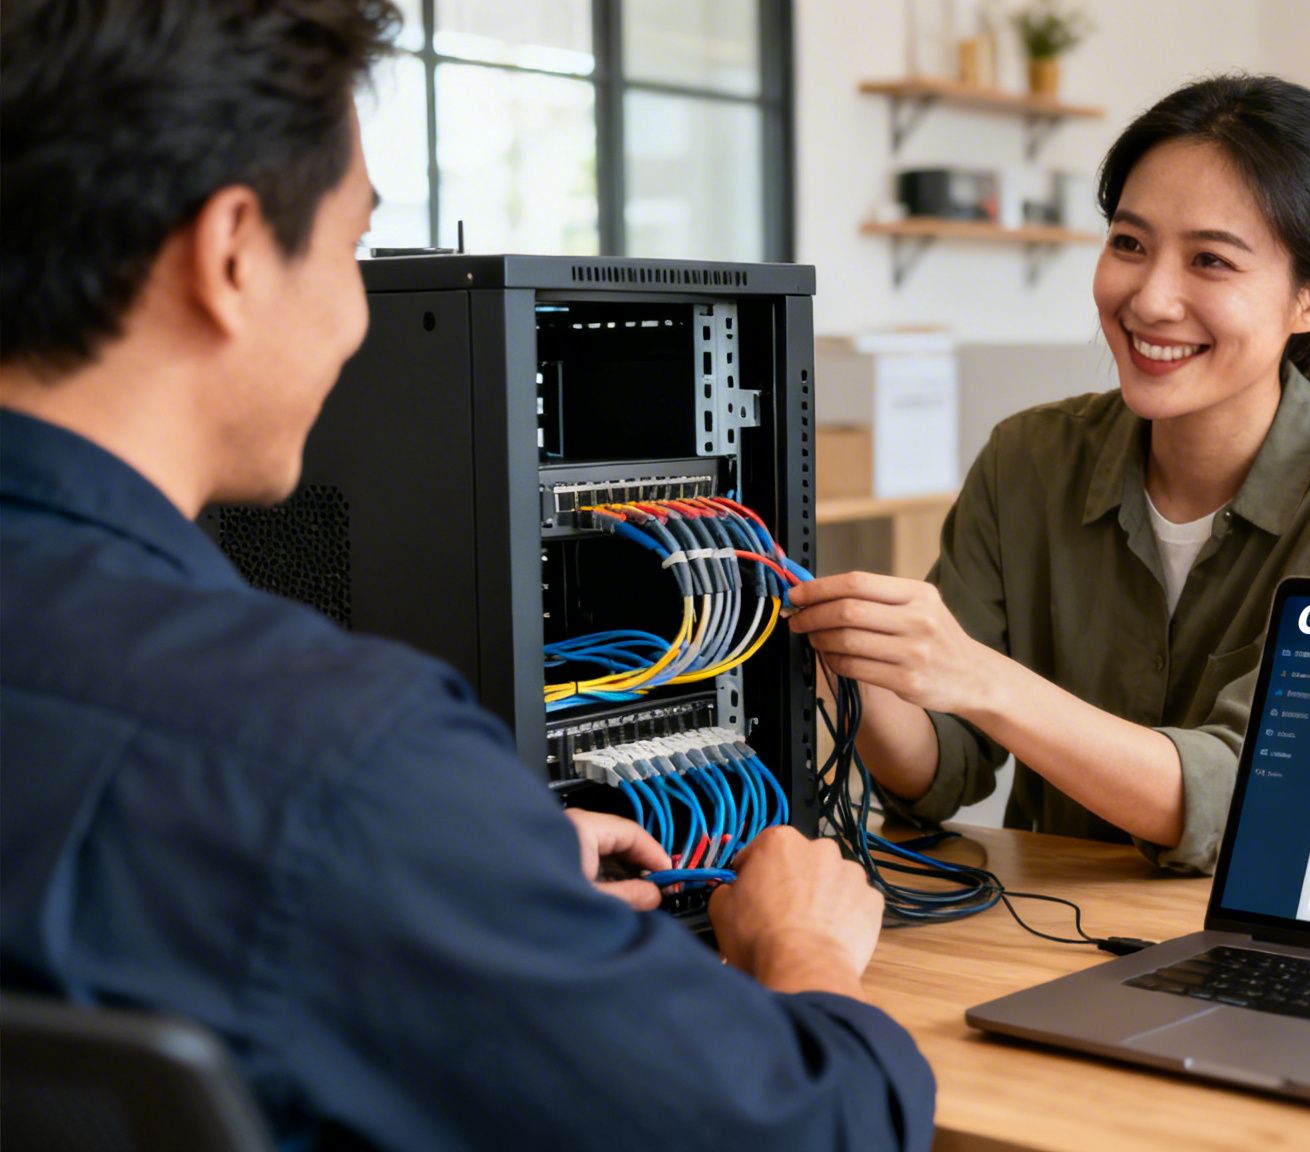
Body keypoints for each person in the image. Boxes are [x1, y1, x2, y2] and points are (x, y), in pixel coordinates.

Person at [0, 2, 933, 1148]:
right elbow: (810, 1128)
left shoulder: (340, 785)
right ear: (232, 252)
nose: (357, 318)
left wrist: (469, 876)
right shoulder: (338, 757)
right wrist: (804, 948)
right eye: (350, 250)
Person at [790, 75, 1310, 875]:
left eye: (1210, 260)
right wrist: (852, 668)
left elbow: (1252, 797)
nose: (1149, 298)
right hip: (1049, 932)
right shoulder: (1028, 458)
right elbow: (944, 769)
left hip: (1268, 947)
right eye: (1129, 244)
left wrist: (977, 676)